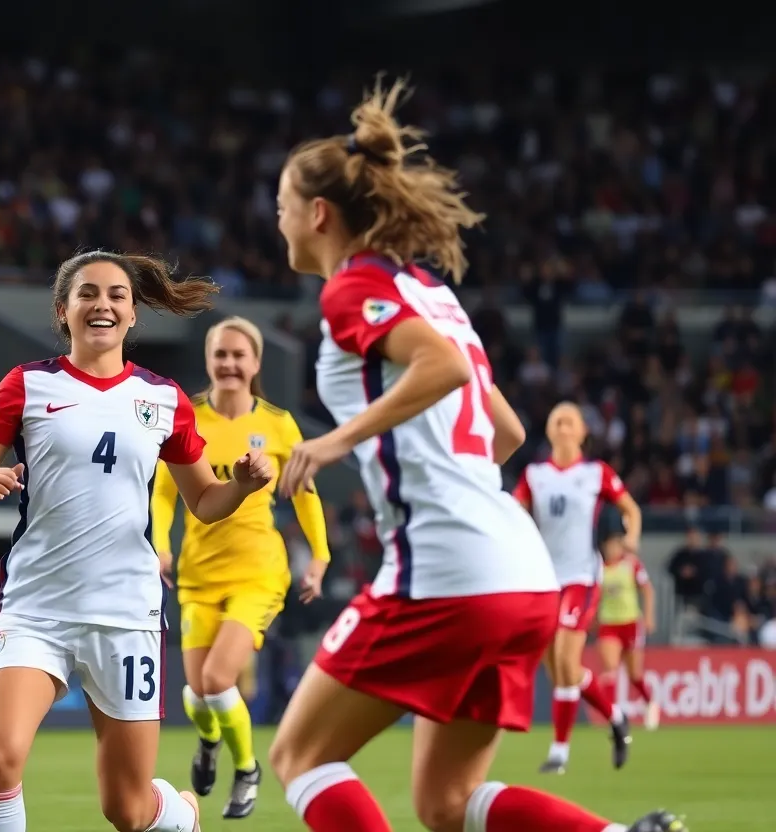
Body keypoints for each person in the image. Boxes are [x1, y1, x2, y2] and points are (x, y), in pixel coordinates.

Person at [266, 79, 683, 832]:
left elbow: (443, 371)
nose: (280, 220)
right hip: (519, 573)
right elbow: (507, 433)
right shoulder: (430, 290)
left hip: (445, 574)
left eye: (283, 206)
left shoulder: (351, 288)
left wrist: (338, 440)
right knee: (446, 805)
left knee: (299, 757)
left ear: (318, 214)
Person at [0, 250, 273, 832]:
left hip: (126, 614)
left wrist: (243, 487)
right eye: (88, 293)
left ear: (131, 315)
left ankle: (180, 814)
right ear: (63, 310)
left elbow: (204, 502)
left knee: (126, 810)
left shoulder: (163, 398)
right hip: (35, 609)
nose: (103, 304)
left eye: (117, 295)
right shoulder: (27, 384)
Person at [150, 315, 331, 820]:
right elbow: (165, 492)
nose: (229, 363)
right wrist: (160, 545)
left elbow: (306, 495)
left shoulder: (276, 424)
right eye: (220, 354)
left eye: (239, 355)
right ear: (208, 360)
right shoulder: (187, 418)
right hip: (199, 574)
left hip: (258, 571)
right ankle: (210, 741)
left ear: (255, 363)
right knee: (196, 692)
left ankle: (247, 768)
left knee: (216, 677)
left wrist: (319, 556)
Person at [513, 402, 642, 773]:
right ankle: (616, 718)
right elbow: (516, 512)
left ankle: (559, 754)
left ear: (583, 431)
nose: (563, 426)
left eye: (570, 421)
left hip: (581, 577)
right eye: (557, 420)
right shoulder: (535, 475)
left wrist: (631, 537)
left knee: (567, 661)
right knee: (559, 670)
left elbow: (631, 509)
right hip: (543, 579)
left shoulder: (595, 473)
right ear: (550, 431)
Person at [596, 504, 660, 731]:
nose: (612, 547)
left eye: (615, 542)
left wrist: (649, 616)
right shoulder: (599, 568)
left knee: (634, 674)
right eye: (609, 543)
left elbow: (647, 590)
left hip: (631, 622)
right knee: (610, 668)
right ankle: (613, 714)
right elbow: (594, 597)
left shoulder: (631, 564)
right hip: (608, 624)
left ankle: (650, 702)